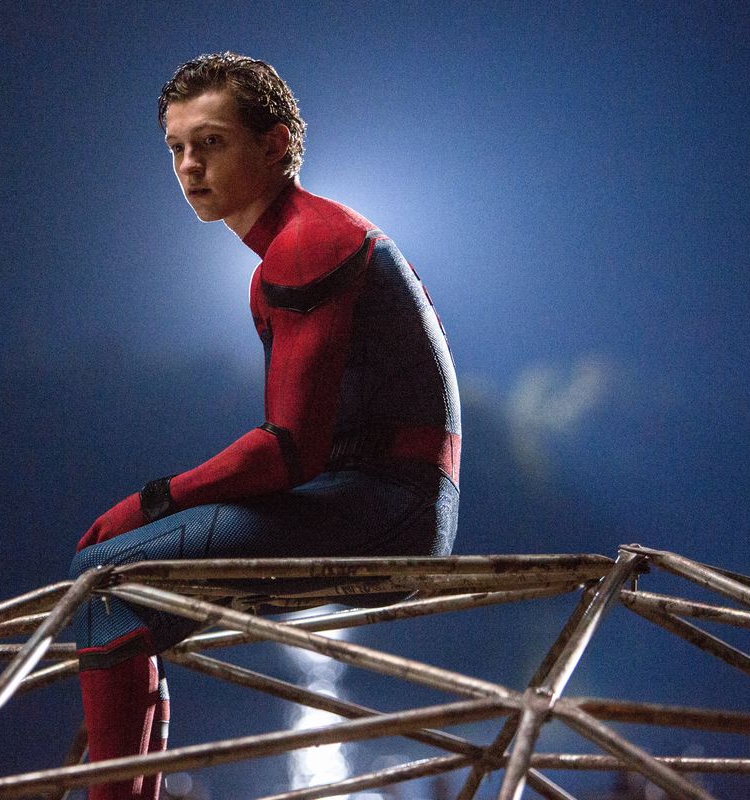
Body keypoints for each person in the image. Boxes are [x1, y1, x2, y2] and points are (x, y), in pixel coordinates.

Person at [68, 52, 461, 800]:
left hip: (389, 505)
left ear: (275, 144)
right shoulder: (281, 258)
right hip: (374, 493)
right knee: (129, 603)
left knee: (103, 580)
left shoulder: (311, 243)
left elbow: (288, 451)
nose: (189, 166)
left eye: (211, 142)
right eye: (176, 148)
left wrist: (149, 501)